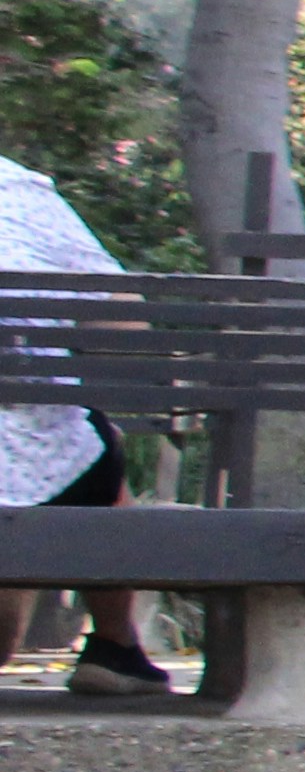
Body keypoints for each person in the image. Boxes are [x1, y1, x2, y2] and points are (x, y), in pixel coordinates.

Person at [0, 152, 164, 692]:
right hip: (37, 468)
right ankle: (116, 646)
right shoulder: (15, 189)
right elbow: (127, 319)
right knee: (90, 437)